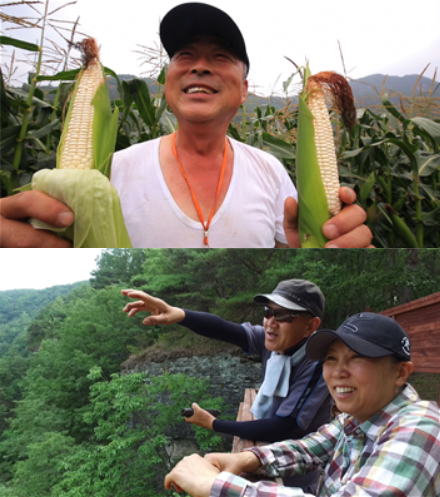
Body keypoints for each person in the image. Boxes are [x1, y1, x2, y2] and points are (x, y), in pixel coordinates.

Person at [0, 3, 373, 248]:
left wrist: (324, 248)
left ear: (244, 91)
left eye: (220, 57)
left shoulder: (270, 171)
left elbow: (291, 252)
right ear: (166, 82)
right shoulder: (112, 170)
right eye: (185, 56)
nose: (199, 66)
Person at [163, 312, 440, 497]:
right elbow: (308, 448)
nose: (337, 372)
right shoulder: (357, 418)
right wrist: (247, 458)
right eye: (331, 358)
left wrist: (216, 486)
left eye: (356, 357)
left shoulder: (422, 428)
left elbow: (287, 425)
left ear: (401, 373)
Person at [122, 279, 333, 493]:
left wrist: (215, 424)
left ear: (310, 326)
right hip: (258, 457)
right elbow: (225, 329)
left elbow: (283, 426)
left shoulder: (318, 361)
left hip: (295, 474)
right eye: (268, 311)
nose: (270, 322)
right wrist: (179, 314)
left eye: (284, 316)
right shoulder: (276, 341)